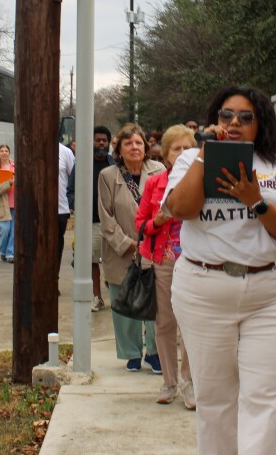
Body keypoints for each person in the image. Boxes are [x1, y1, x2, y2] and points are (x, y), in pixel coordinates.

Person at [165, 86, 276, 454]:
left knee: (270, 398)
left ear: (260, 124)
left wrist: (256, 201)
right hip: (204, 290)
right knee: (215, 398)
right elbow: (180, 208)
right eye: (225, 116)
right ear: (214, 121)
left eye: (245, 117)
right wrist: (204, 154)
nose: (234, 123)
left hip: (272, 293)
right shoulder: (190, 162)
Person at [135, 124, 198, 409]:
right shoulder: (154, 183)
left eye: (189, 148)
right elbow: (140, 225)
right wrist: (157, 222)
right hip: (163, 261)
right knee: (165, 323)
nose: (184, 153)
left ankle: (189, 384)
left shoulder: (201, 181)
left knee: (191, 326)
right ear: (167, 154)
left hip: (196, 262)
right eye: (178, 148)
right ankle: (169, 382)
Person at [98, 123, 165, 373]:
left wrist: (150, 238)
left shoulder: (159, 170)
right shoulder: (107, 176)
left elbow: (166, 207)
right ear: (119, 149)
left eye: (138, 143)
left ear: (145, 146)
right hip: (121, 251)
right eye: (128, 143)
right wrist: (128, 244)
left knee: (156, 301)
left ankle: (156, 352)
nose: (134, 147)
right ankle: (132, 353)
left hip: (155, 247)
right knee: (123, 299)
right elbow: (106, 217)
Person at [67, 126, 117, 311]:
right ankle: (97, 297)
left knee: (114, 260)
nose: (101, 143)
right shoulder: (82, 164)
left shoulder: (115, 165)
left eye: (104, 140)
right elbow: (70, 190)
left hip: (114, 222)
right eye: (98, 140)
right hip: (91, 222)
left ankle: (115, 295)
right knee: (91, 261)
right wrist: (76, 205)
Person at [0, 144, 15, 263]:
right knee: (5, 230)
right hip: (2, 204)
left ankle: (11, 253)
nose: (4, 153)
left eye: (6, 150)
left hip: (15, 203)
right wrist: (8, 183)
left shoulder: (15, 167)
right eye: (2, 151)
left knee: (14, 230)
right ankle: (3, 250)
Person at [56, 142, 76, 277]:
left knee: (57, 244)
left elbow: (73, 177)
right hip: (36, 210)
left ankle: (54, 277)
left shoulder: (65, 152)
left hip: (60, 209)